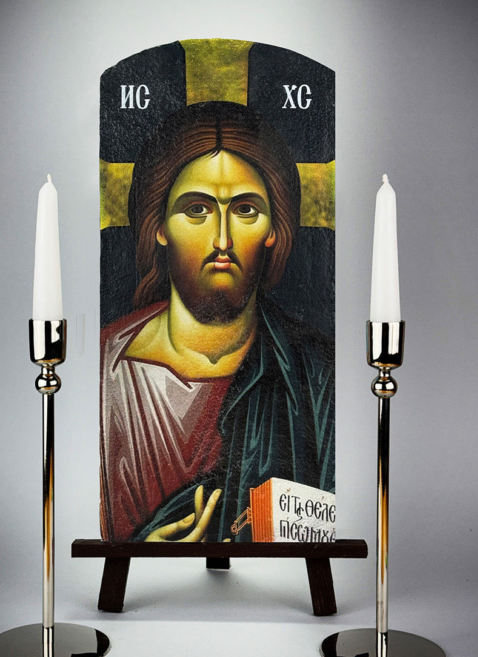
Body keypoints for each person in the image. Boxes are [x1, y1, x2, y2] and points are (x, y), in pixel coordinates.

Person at [100, 101, 334, 543]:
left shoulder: (315, 373)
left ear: (274, 229)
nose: (222, 239)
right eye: (197, 209)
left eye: (245, 210)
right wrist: (139, 553)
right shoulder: (105, 367)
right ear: (159, 225)